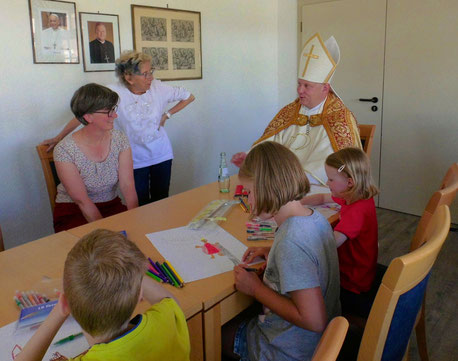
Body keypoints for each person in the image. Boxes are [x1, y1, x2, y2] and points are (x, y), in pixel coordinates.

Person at [222, 141, 340, 361]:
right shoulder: (315, 218)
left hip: (291, 351)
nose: (246, 199)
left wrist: (255, 288)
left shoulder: (290, 242)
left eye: (248, 192)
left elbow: (314, 320)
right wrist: (272, 252)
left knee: (209, 336)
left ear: (267, 189)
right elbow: (308, 259)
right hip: (322, 343)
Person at [41, 51, 195, 206]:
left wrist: (166, 115)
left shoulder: (159, 88)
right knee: (140, 204)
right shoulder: (114, 92)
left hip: (161, 153)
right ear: (129, 78)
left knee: (161, 202)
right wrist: (59, 137)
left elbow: (189, 96)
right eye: (145, 74)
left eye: (151, 72)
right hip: (134, 158)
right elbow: (85, 113)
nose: (151, 78)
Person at [15, 229, 190, 361]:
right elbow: (167, 299)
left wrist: (61, 309)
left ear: (66, 304)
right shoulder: (167, 321)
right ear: (139, 295)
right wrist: (130, 273)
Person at [232, 33, 362, 186]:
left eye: (307, 86)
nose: (300, 90)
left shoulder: (339, 119)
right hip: (280, 184)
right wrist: (250, 156)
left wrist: (293, 181)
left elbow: (333, 165)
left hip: (317, 187)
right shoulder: (290, 111)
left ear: (325, 88)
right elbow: (270, 143)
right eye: (299, 84)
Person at [301, 147, 379, 318]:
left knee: (301, 282)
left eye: (330, 179)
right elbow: (322, 198)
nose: (327, 183)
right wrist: (299, 203)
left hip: (352, 281)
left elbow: (329, 244)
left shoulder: (356, 211)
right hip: (361, 270)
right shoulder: (356, 196)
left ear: (350, 182)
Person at [53, 83, 138, 232]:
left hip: (112, 206)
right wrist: (105, 234)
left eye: (114, 109)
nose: (115, 115)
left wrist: (135, 219)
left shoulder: (120, 139)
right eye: (108, 112)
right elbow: (82, 201)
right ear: (88, 116)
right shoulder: (64, 150)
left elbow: (127, 185)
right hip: (75, 212)